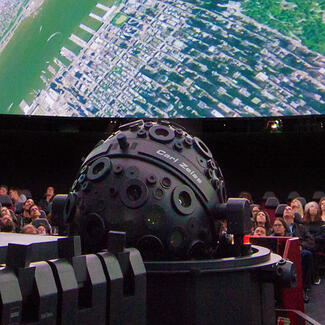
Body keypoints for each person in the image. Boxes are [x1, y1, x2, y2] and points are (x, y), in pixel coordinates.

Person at [283, 205, 314, 302]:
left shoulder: (300, 227)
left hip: (299, 251)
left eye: (289, 209)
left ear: (294, 215)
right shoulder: (278, 225)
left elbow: (311, 241)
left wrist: (300, 246)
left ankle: (304, 288)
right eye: (285, 209)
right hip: (283, 251)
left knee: (307, 254)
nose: (287, 210)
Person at [303, 201, 325, 285]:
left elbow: (323, 235)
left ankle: (314, 276)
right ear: (307, 210)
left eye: (315, 207)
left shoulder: (322, 223)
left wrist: (312, 239)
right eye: (311, 207)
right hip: (307, 244)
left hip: (318, 243)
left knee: (313, 250)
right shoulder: (303, 224)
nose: (313, 209)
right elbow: (303, 234)